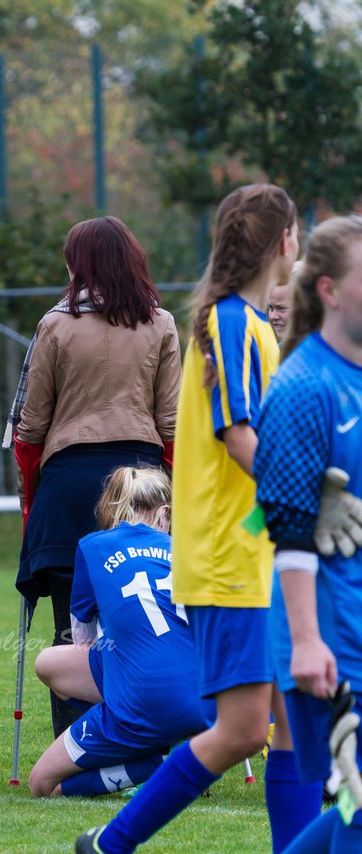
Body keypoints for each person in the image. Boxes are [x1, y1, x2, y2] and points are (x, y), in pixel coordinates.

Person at [76, 184, 299, 854]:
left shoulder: (255, 326)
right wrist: (312, 495)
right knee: (242, 731)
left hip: (258, 552)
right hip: (231, 560)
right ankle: (111, 844)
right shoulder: (230, 321)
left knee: (288, 724)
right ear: (282, 242)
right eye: (296, 234)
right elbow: (240, 436)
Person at [10, 216, 180, 740]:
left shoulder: (54, 325)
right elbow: (172, 422)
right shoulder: (161, 323)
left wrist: (29, 499)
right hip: (142, 485)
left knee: (72, 622)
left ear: (79, 265)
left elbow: (30, 425)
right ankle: (149, 737)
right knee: (151, 616)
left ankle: (76, 746)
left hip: (68, 483)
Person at [254, 214, 362, 852]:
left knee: (351, 812)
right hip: (331, 644)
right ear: (329, 291)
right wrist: (304, 643)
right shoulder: (302, 386)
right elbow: (287, 529)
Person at [28, 466, 212, 798]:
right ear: (165, 513)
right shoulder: (191, 550)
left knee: (43, 785)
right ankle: (169, 747)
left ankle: (151, 764)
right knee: (50, 663)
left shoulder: (92, 545)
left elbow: (81, 638)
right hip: (208, 701)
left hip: (143, 702)